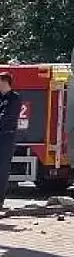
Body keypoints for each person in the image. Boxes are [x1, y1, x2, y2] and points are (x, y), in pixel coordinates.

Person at [0, 72, 22, 212]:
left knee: (2, 169)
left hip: (6, 137)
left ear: (4, 81)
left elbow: (7, 117)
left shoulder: (14, 98)